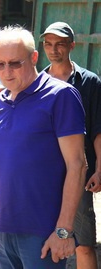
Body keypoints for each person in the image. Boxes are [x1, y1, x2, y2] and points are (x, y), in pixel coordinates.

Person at [0, 25, 86, 268]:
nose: (7, 72)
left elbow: (77, 165)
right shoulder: (0, 101)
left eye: (14, 63)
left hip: (42, 233)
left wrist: (63, 231)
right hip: (2, 232)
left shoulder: (61, 96)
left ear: (34, 58)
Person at [41, 21, 101, 269]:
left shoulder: (89, 82)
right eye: (48, 44)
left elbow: (98, 130)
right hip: (44, 174)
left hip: (78, 172)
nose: (54, 50)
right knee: (42, 239)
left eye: (60, 44)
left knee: (84, 243)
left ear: (71, 46)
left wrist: (99, 169)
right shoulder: (37, 83)